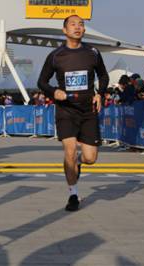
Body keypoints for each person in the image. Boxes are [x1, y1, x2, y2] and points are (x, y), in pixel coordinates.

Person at [37, 14, 109, 212]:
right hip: (66, 110)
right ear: (64, 30)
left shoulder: (93, 53)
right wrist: (54, 92)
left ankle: (77, 162)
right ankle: (73, 195)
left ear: (84, 30)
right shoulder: (55, 56)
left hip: (88, 111)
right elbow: (42, 82)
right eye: (73, 24)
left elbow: (103, 76)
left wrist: (100, 94)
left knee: (90, 158)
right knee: (69, 150)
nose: (77, 27)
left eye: (81, 24)